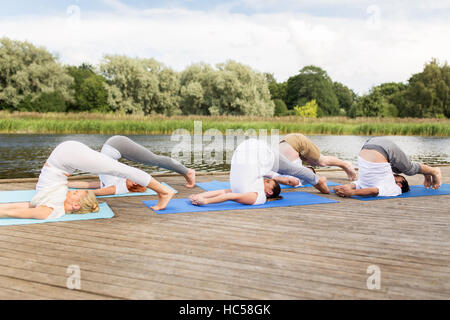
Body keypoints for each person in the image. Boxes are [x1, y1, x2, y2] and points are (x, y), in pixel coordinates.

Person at [0, 141, 174, 220]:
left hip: (66, 157)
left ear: (75, 206)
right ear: (76, 206)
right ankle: (164, 191)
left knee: (119, 169)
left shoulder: (48, 208)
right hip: (66, 157)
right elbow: (17, 210)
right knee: (120, 169)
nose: (73, 191)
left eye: (75, 192)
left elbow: (16, 210)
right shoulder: (52, 208)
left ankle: (164, 191)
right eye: (75, 192)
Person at [189, 139, 329, 206]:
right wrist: (203, 199)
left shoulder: (253, 193)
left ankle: (317, 179)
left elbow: (226, 193)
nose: (264, 180)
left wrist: (203, 197)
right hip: (261, 153)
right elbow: (228, 194)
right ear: (268, 193)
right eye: (268, 181)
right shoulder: (256, 195)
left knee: (293, 170)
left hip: (246, 150)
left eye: (268, 182)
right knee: (293, 170)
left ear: (268, 192)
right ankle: (317, 180)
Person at [68, 135, 196, 196]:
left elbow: (91, 186)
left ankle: (187, 171)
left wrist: (67, 185)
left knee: (154, 159)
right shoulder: (120, 183)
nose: (135, 177)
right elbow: (97, 191)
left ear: (133, 184)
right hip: (117, 145)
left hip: (115, 146)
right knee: (153, 159)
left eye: (135, 180)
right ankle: (187, 171)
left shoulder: (116, 185)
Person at [334, 137, 442, 198]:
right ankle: (434, 171)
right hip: (382, 148)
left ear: (399, 183)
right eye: (398, 176)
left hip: (370, 144)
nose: (396, 176)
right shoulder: (393, 189)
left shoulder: (364, 184)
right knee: (408, 169)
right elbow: (374, 191)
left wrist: (341, 189)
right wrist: (351, 193)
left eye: (399, 177)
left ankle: (427, 172)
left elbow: (367, 189)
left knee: (402, 169)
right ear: (399, 185)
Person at [279, 133, 357, 181]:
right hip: (288, 144)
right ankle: (345, 164)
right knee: (313, 163)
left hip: (297, 141)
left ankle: (345, 164)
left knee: (322, 162)